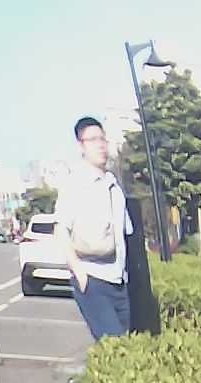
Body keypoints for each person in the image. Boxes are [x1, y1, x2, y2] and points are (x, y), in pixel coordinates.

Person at [55, 116, 135, 340]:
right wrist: (80, 274)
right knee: (114, 345)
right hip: (93, 278)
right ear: (81, 146)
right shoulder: (75, 184)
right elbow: (60, 230)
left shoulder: (113, 184)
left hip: (119, 281)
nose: (100, 145)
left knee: (125, 344)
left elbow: (126, 234)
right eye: (92, 140)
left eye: (102, 139)